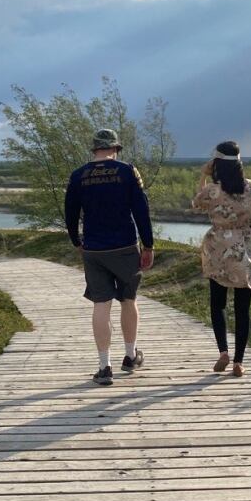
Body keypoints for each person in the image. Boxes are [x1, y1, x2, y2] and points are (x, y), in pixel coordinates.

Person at [64, 128, 155, 386]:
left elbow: (70, 212)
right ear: (115, 148)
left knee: (100, 305)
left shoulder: (78, 175)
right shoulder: (127, 172)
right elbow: (141, 210)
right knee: (128, 300)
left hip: (93, 249)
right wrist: (147, 245)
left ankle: (104, 367)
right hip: (125, 247)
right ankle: (130, 356)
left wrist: (76, 241)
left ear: (94, 149)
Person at [192, 140, 251, 377]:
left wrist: (203, 176)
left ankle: (222, 352)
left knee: (217, 304)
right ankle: (239, 361)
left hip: (217, 249)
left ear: (216, 163)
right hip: (245, 250)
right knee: (242, 308)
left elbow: (196, 203)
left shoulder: (213, 190)